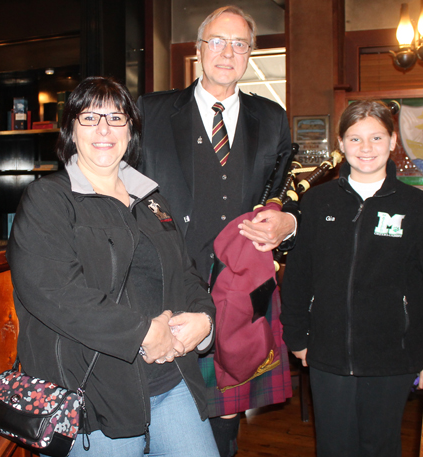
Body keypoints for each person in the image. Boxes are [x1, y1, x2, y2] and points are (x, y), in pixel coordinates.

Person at [6, 76, 220, 457]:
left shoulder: (152, 198)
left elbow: (185, 274)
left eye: (117, 117)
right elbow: (54, 292)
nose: (104, 129)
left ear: (131, 130)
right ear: (71, 127)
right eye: (90, 117)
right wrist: (142, 333)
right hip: (94, 397)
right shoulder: (48, 199)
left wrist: (205, 320)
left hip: (172, 382)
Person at [137, 6, 296, 456]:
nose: (228, 52)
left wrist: (289, 222)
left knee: (226, 415)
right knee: (163, 404)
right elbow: (120, 186)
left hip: (241, 289)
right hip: (165, 288)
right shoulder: (151, 111)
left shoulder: (272, 117)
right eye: (218, 42)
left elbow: (286, 187)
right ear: (199, 49)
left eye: (239, 43)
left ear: (250, 54)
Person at [280, 99, 423, 457]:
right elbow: (298, 275)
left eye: (376, 138)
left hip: (393, 358)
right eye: (355, 139)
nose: (366, 148)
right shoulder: (317, 203)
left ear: (393, 142)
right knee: (334, 447)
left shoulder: (419, 207)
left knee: (380, 447)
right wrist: (297, 337)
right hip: (325, 353)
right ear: (341, 145)